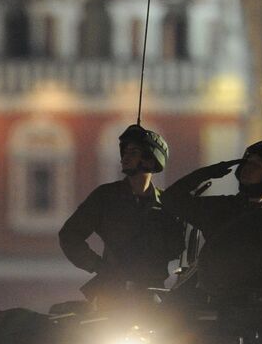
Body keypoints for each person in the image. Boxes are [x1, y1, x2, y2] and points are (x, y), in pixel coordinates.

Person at [58, 124, 186, 303]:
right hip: (112, 295)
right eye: (124, 152)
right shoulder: (106, 197)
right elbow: (70, 235)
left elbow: (178, 247)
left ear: (151, 160)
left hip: (151, 296)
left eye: (133, 152)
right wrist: (98, 265)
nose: (125, 157)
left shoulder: (167, 204)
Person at [162, 141, 262, 242]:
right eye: (248, 163)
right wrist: (206, 173)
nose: (248, 168)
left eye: (257, 165)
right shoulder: (220, 208)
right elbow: (170, 199)